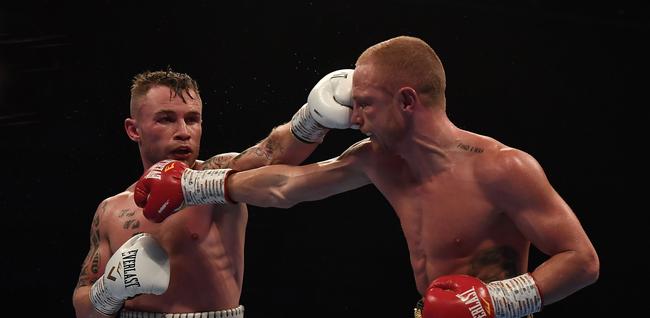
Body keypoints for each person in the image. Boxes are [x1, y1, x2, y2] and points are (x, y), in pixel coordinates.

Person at [135, 36, 600, 318]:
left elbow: (581, 260)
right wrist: (196, 185)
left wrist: (500, 301)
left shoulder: (501, 167)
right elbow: (286, 186)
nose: (353, 116)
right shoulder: (379, 159)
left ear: (406, 101)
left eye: (364, 103)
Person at [72, 67, 356, 318]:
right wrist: (110, 289)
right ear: (134, 130)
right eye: (166, 119)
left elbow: (269, 152)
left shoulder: (214, 174)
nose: (183, 131)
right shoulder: (111, 211)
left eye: (192, 119)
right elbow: (83, 308)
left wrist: (314, 117)